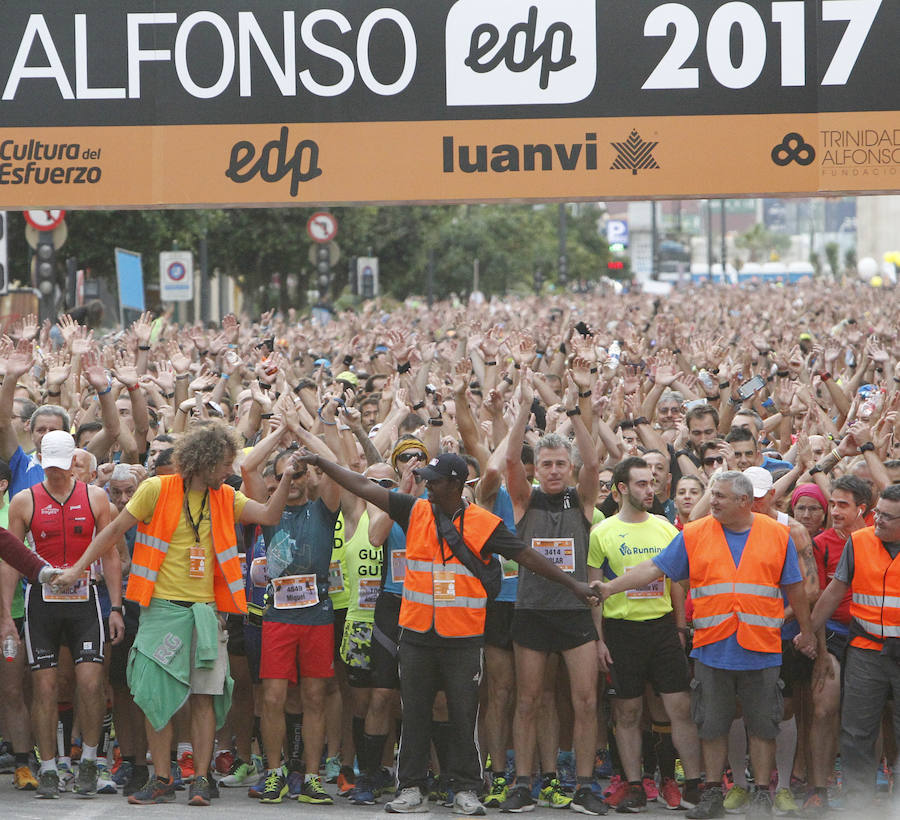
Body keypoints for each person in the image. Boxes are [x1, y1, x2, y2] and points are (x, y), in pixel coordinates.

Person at [300, 449, 600, 816]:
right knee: (414, 715)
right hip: (415, 635)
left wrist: (574, 585)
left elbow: (527, 556)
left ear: (456, 485)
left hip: (463, 638)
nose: (427, 484)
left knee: (462, 715)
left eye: (435, 480)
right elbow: (362, 485)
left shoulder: (482, 523)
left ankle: (465, 789)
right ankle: (410, 787)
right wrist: (321, 461)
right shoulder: (414, 510)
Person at [51, 421, 301, 807]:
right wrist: (77, 567)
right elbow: (113, 531)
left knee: (203, 697)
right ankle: (163, 778)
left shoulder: (226, 496)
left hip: (206, 615)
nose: (228, 472)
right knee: (156, 698)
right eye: (224, 465)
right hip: (162, 612)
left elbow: (268, 515)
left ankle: (200, 780)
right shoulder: (156, 489)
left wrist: (284, 478)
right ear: (204, 461)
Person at [594, 471, 816, 819]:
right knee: (712, 725)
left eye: (720, 496)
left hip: (760, 647)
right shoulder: (695, 533)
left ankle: (761, 794)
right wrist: (611, 587)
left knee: (763, 725)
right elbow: (654, 568)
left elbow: (796, 588)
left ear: (744, 501)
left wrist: (807, 631)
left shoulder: (777, 534)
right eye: (712, 494)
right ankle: (712, 792)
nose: (711, 501)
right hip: (713, 647)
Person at [504, 373, 609, 815]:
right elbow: (509, 462)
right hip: (531, 611)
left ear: (567, 469)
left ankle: (584, 786)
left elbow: (593, 464)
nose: (551, 470)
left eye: (558, 465)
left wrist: (572, 412)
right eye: (545, 464)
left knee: (585, 702)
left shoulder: (581, 500)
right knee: (527, 701)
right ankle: (523, 783)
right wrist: (525, 406)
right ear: (537, 468)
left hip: (574, 613)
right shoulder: (525, 500)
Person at [0, 430, 120, 799]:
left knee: (89, 683)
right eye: (47, 467)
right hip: (42, 605)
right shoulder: (24, 500)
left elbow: (112, 555)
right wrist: (6, 614)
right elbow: (10, 558)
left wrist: (115, 606)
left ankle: (88, 760)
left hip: (86, 602)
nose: (54, 474)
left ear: (73, 462)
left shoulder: (96, 497)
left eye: (60, 467)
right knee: (45, 686)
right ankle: (49, 766)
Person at [587, 457, 702, 812]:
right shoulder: (602, 532)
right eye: (640, 484)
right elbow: (595, 591)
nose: (649, 490)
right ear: (621, 489)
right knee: (627, 713)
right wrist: (598, 639)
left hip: (663, 627)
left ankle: (694, 785)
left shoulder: (666, 528)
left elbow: (677, 584)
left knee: (678, 707)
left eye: (651, 483)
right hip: (621, 632)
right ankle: (635, 785)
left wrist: (680, 628)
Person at [807, 482, 895, 812]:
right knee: (843, 720)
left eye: (888, 516)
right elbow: (828, 593)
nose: (879, 520)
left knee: (890, 724)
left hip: (894, 649)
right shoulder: (845, 543)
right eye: (879, 513)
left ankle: (890, 793)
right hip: (854, 644)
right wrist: (809, 633)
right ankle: (843, 796)